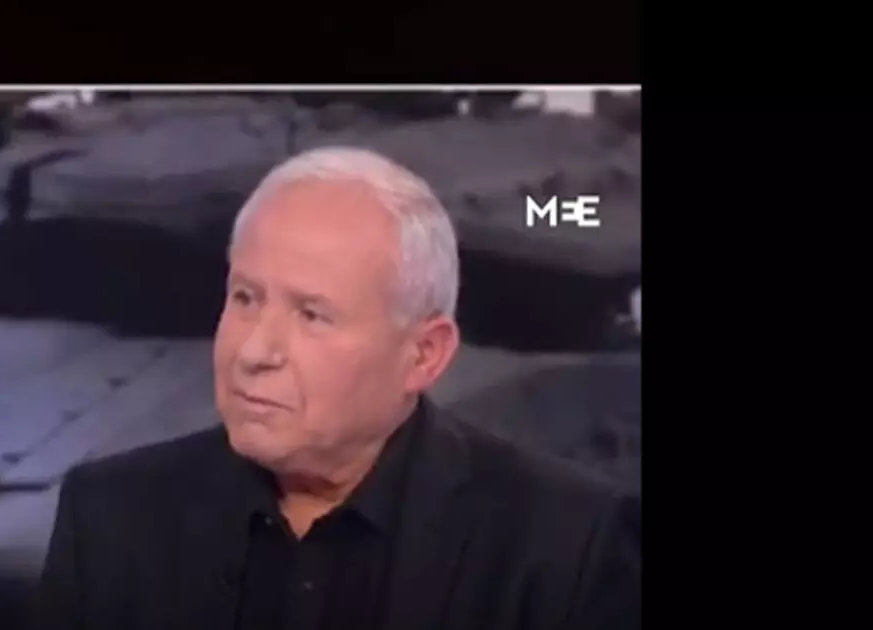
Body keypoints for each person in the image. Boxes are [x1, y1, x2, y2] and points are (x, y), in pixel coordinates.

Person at [34, 146, 641, 630]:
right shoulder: (107, 520)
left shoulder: (567, 549)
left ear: (424, 355)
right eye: (244, 298)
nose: (253, 352)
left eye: (312, 315)